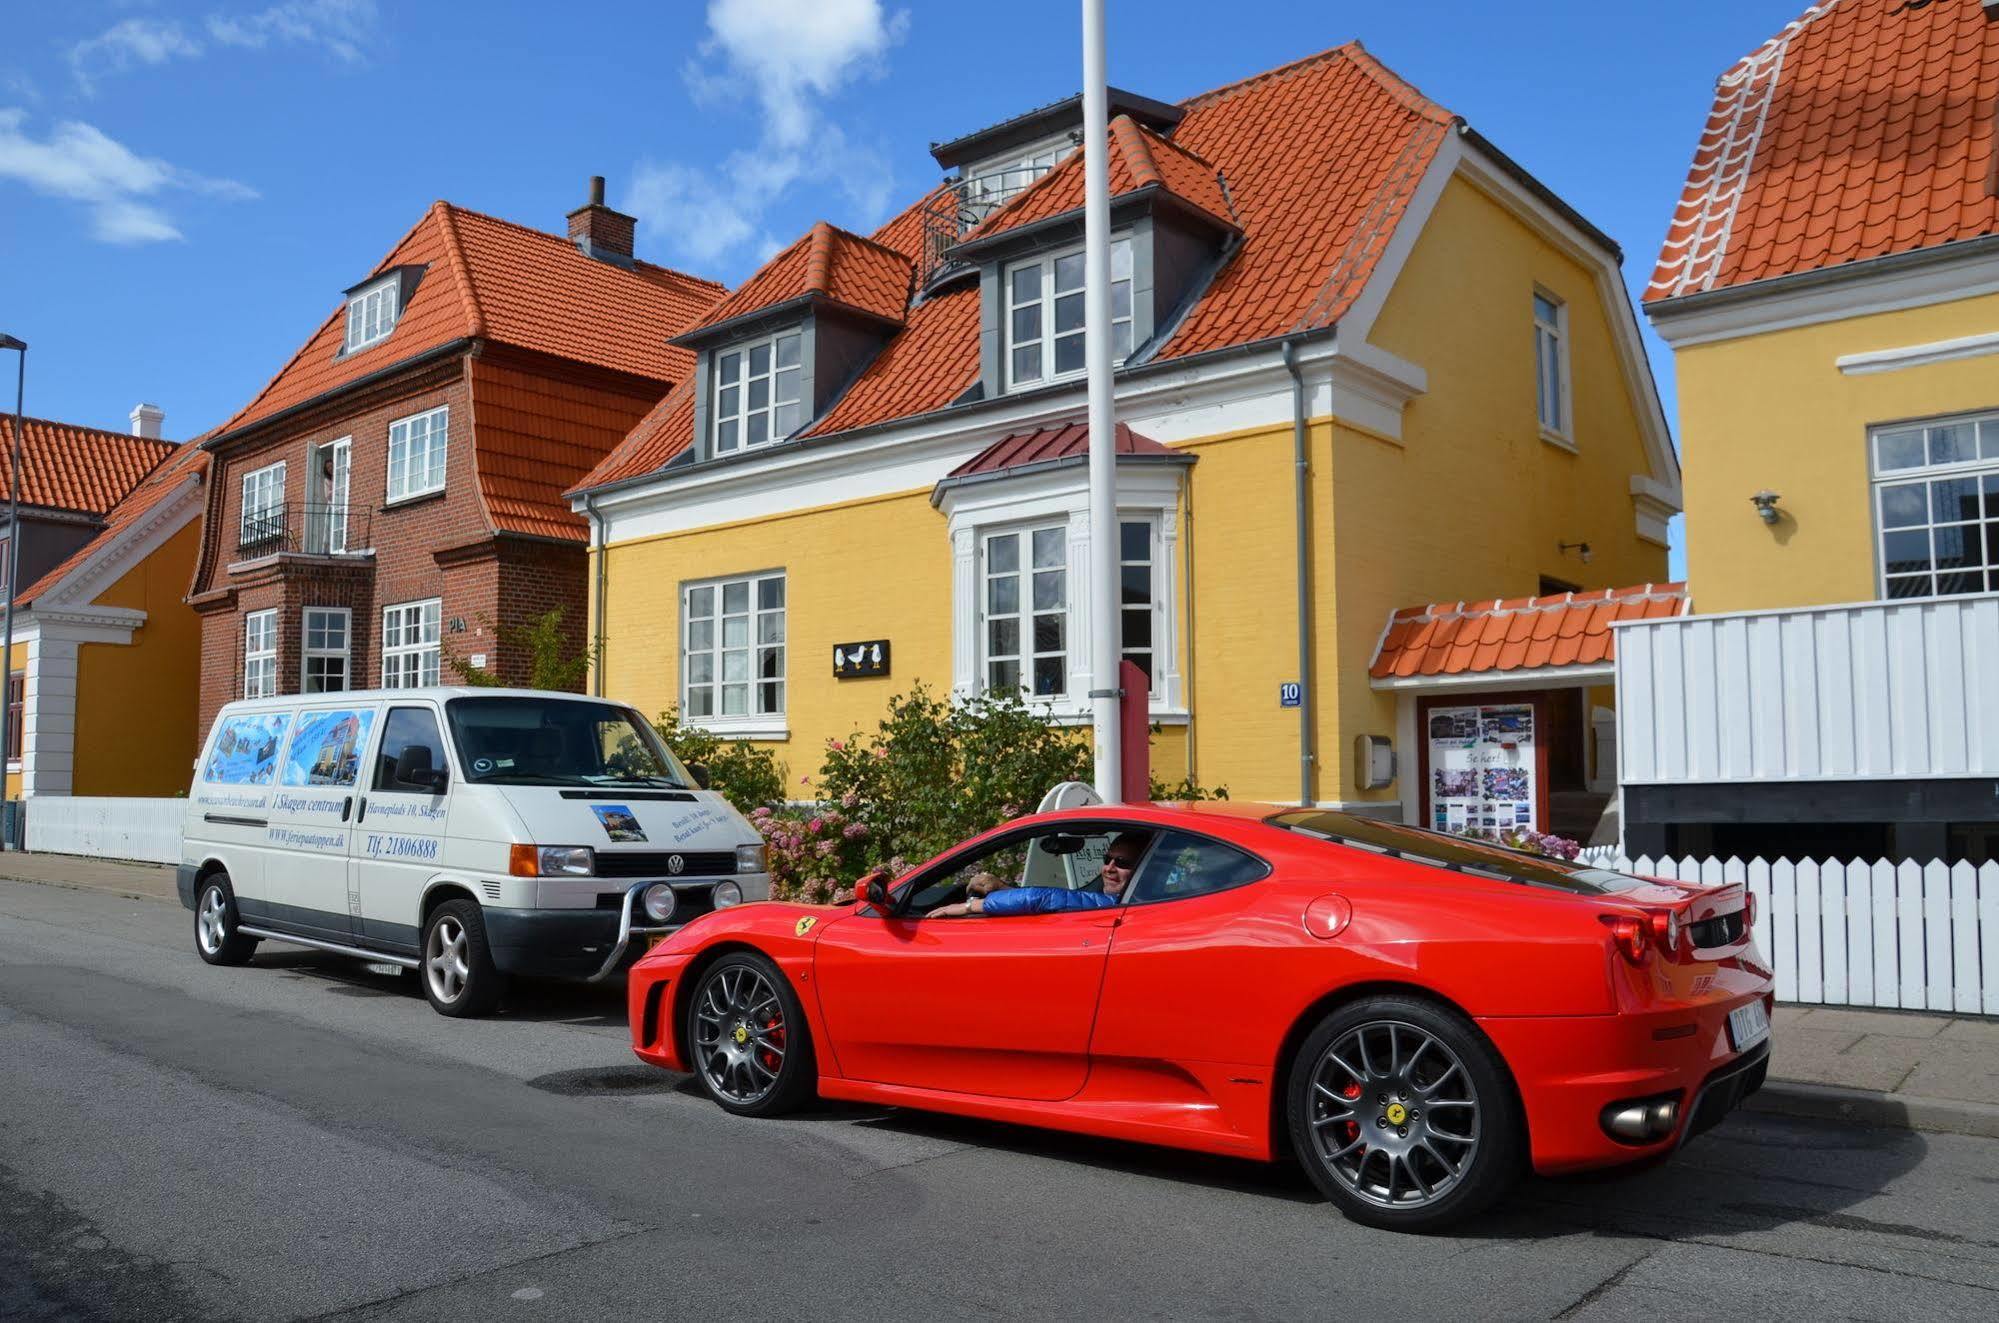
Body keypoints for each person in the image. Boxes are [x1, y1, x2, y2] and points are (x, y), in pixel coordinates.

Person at [933, 832, 1150, 916]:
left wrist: (969, 906)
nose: (1109, 868)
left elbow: (1043, 899)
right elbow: (1069, 900)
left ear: (1145, 869)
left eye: (1122, 863)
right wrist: (1004, 890)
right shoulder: (1147, 898)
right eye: (1107, 859)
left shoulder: (1121, 904)